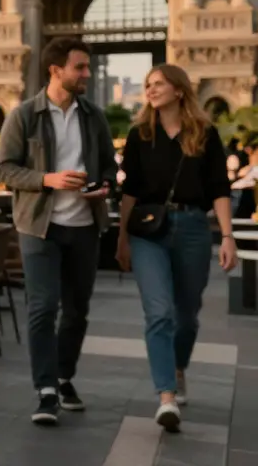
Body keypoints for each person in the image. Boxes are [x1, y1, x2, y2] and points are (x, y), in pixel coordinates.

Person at [0, 37, 117, 426]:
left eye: (87, 67)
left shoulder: (94, 116)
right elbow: (4, 169)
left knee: (77, 311)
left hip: (84, 226)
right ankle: (45, 390)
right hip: (39, 227)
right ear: (55, 70)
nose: (87, 73)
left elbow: (111, 168)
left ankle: (64, 378)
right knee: (43, 307)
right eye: (80, 67)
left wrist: (105, 186)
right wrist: (48, 178)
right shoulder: (25, 115)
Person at [115, 64, 238, 431]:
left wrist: (228, 237)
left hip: (194, 229)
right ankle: (166, 396)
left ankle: (178, 367)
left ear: (179, 90)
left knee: (187, 315)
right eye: (147, 85)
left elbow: (218, 188)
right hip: (148, 232)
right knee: (159, 312)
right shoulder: (140, 135)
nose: (150, 90)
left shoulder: (205, 134)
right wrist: (122, 236)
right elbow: (130, 191)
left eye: (158, 84)